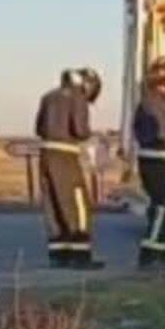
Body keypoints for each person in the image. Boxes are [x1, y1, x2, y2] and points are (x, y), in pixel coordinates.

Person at [33, 68, 104, 269]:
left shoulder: (48, 96)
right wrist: (90, 135)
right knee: (77, 204)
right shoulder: (77, 98)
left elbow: (38, 129)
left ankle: (58, 255)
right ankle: (80, 255)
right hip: (66, 156)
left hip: (45, 156)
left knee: (53, 205)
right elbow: (80, 130)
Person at [133, 58, 165, 268]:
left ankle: (161, 254)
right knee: (163, 207)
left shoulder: (155, 100)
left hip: (160, 159)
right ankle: (151, 254)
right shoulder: (153, 102)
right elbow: (164, 132)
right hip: (156, 159)